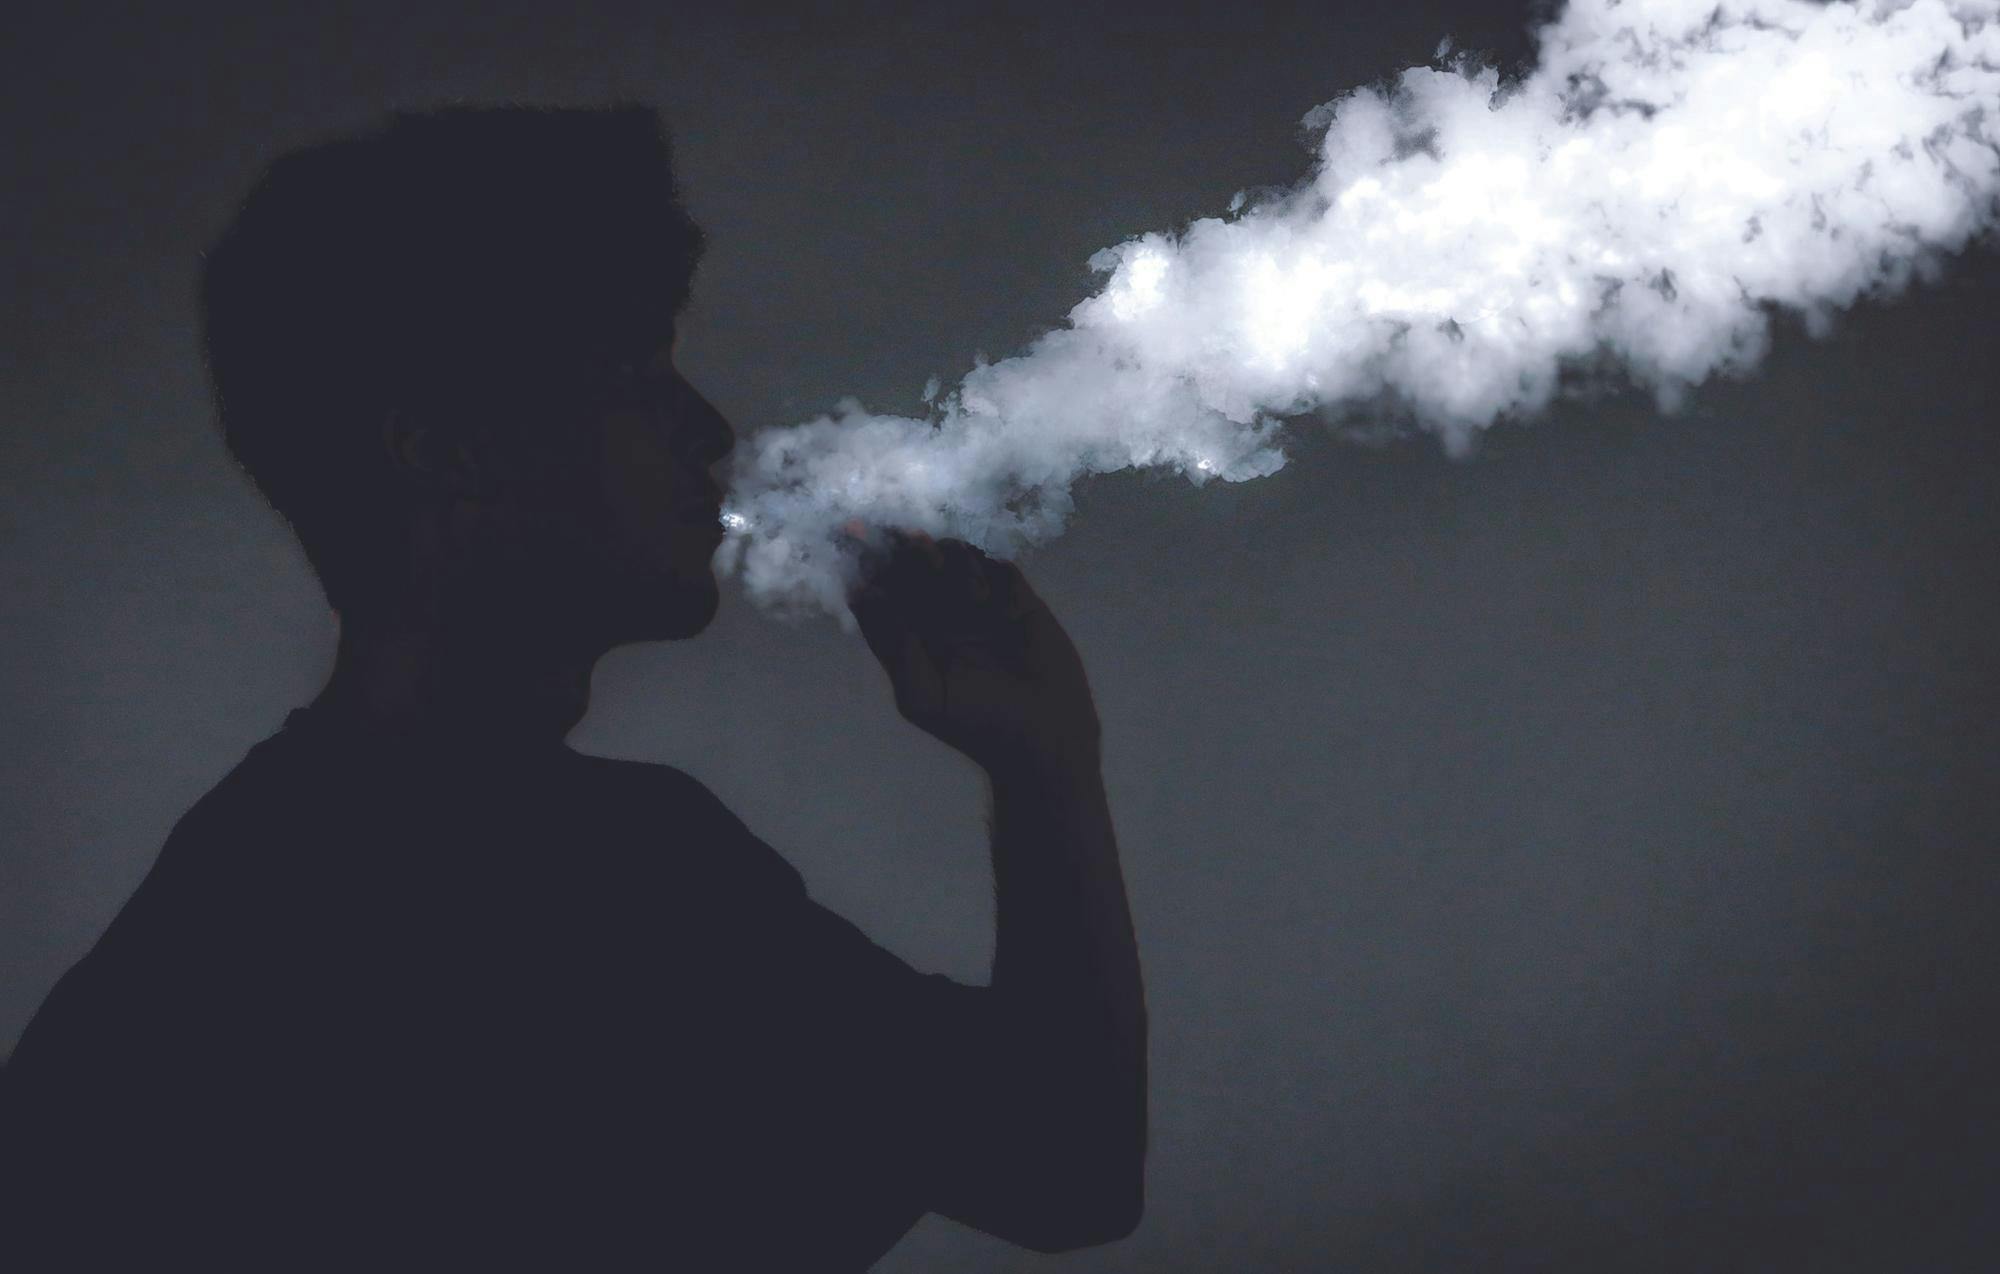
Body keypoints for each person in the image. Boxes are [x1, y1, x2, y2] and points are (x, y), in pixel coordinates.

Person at [0, 105, 1146, 1271]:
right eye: (633, 377)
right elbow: (1063, 1164)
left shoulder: (232, 884)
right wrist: (1046, 764)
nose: (706, 426)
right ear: (446, 449)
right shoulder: (600, 872)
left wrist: (1035, 753)